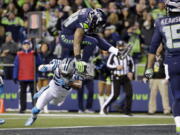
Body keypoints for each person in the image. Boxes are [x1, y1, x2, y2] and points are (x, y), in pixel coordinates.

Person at [144, 0, 180, 134]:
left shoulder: (160, 22)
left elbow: (153, 48)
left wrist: (148, 68)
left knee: (177, 96)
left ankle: (179, 126)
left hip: (173, 62)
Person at [24, 58, 85, 126]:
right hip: (51, 89)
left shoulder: (76, 73)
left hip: (62, 95)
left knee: (54, 103)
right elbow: (41, 67)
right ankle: (33, 117)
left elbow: (79, 86)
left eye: (66, 74)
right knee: (36, 110)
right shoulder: (56, 66)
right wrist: (42, 67)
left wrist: (69, 83)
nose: (63, 75)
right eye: (62, 72)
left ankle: (45, 90)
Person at [59, 8, 119, 74]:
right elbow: (76, 43)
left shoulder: (90, 14)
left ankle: (116, 51)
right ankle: (82, 66)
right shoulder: (85, 22)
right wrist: (78, 60)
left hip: (71, 34)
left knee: (96, 38)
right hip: (66, 37)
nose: (98, 27)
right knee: (92, 41)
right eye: (98, 24)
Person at [101, 40, 134, 115]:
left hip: (125, 76)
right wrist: (116, 67)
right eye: (119, 46)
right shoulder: (113, 55)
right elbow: (108, 65)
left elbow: (131, 64)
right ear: (116, 47)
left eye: (122, 46)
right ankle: (104, 107)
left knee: (129, 94)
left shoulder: (128, 55)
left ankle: (127, 111)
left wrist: (131, 72)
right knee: (115, 94)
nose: (121, 48)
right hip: (116, 76)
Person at [13, 40, 42, 113]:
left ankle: (36, 107)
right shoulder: (19, 54)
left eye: (27, 44)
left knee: (34, 93)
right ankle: (23, 108)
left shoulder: (34, 54)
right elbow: (16, 66)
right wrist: (15, 76)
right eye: (25, 44)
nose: (26, 46)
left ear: (30, 46)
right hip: (22, 77)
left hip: (32, 77)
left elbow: (39, 63)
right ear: (22, 46)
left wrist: (37, 55)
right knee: (22, 94)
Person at [144, 45, 171, 115]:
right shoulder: (151, 56)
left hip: (162, 78)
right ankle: (151, 110)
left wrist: (167, 77)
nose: (158, 48)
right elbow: (148, 66)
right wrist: (146, 76)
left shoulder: (165, 56)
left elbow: (168, 66)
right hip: (153, 78)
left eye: (159, 47)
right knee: (152, 95)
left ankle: (167, 110)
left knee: (164, 96)